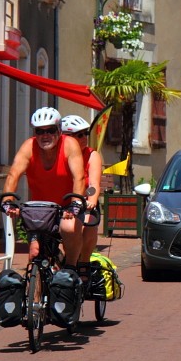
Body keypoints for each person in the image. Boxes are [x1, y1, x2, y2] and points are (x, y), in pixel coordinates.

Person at [2, 107, 87, 269]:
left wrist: (76, 203)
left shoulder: (70, 145)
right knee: (35, 253)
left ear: (59, 130)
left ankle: (70, 268)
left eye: (50, 130)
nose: (45, 135)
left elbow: (79, 177)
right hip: (39, 210)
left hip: (67, 208)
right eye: (40, 131)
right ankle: (35, 289)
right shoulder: (28, 146)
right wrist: (8, 200)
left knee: (68, 228)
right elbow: (13, 174)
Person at [60, 114, 103, 284]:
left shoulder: (91, 155)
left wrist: (91, 198)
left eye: (85, 133)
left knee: (89, 221)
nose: (84, 138)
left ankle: (84, 262)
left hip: (83, 203)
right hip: (62, 203)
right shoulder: (59, 155)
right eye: (79, 135)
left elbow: (93, 183)